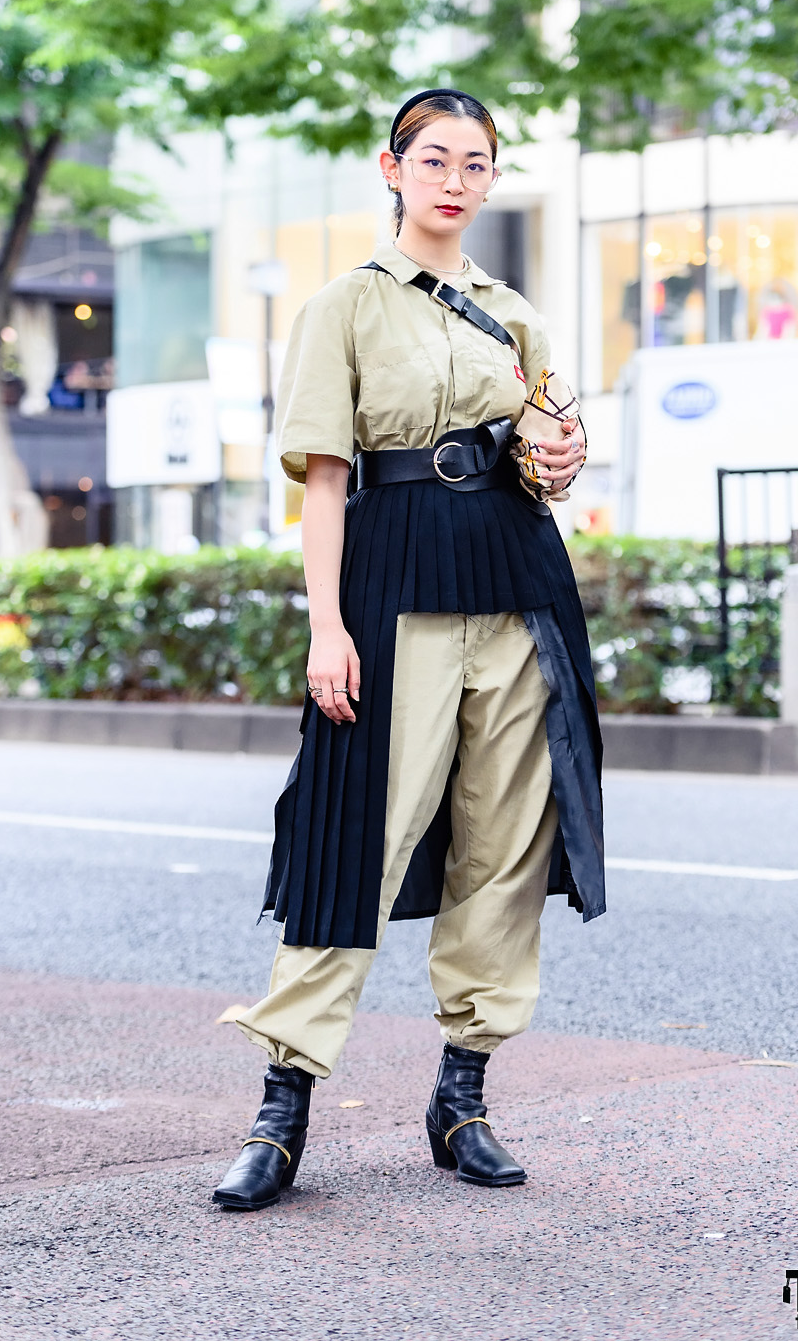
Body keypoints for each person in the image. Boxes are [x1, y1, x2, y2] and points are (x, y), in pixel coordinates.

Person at [213, 88, 605, 1211]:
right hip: (389, 588)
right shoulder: (342, 305)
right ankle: (282, 1111)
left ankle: (463, 1096)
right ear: (391, 168)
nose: (453, 178)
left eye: (474, 163)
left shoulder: (517, 315)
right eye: (433, 158)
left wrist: (558, 461)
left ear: (490, 180)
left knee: (505, 845)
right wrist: (323, 625)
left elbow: (539, 461)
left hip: (519, 589)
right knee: (356, 832)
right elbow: (325, 483)